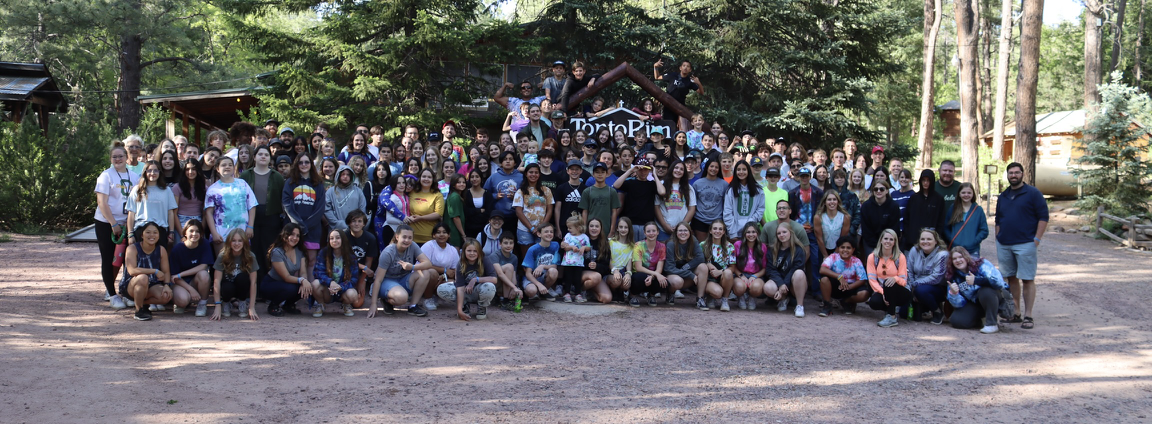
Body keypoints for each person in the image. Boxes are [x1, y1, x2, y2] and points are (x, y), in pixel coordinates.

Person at [996, 162, 1048, 330]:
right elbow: (998, 219)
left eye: (1017, 172)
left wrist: (1037, 239)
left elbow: (1043, 216)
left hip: (1026, 243)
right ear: (1007, 175)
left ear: (1022, 174)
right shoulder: (1003, 196)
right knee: (1011, 278)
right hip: (1005, 244)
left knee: (1027, 279)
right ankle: (1016, 312)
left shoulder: (1033, 193)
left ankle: (1028, 315)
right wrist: (998, 237)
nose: (1014, 175)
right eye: (1011, 173)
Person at [367, 225, 434, 317]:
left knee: (425, 273)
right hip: (386, 281)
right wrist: (373, 304)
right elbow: (378, 280)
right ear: (397, 237)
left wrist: (412, 267)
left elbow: (428, 263)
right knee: (402, 298)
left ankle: (413, 306)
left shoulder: (413, 246)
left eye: (410, 238)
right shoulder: (388, 252)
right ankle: (386, 300)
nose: (407, 240)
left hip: (403, 279)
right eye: (404, 237)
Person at [239, 146, 285, 272]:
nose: (263, 157)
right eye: (260, 154)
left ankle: (267, 278)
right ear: (254, 157)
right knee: (252, 249)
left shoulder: (277, 176)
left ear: (270, 158)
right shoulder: (245, 175)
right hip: (251, 217)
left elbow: (282, 199)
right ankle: (253, 279)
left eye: (266, 154)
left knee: (268, 249)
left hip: (271, 218)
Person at [946, 246, 1009, 333]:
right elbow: (959, 305)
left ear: (966, 257)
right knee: (957, 321)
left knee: (985, 291)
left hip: (995, 297)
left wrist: (977, 280)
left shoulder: (981, 264)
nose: (958, 260)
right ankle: (981, 319)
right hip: (975, 302)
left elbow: (999, 283)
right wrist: (954, 293)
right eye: (954, 259)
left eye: (961, 257)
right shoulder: (953, 276)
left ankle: (991, 324)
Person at [282, 154, 327, 275]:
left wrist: (306, 226)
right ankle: (295, 286)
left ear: (311, 164)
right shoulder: (290, 182)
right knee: (294, 261)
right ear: (296, 165)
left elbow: (320, 208)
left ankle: (309, 287)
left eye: (307, 162)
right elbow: (287, 205)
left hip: (312, 229)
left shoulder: (318, 184)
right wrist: (299, 225)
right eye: (300, 162)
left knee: (311, 260)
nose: (304, 165)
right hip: (293, 228)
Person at [120, 222, 173, 321]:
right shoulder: (132, 248)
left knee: (166, 296)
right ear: (142, 235)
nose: (152, 235)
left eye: (155, 232)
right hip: (131, 284)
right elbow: (132, 271)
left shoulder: (161, 250)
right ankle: (139, 310)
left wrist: (166, 285)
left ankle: (142, 303)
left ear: (159, 235)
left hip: (152, 284)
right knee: (143, 278)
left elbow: (166, 271)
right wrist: (154, 271)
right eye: (148, 232)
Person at [204, 157, 257, 254]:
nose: (227, 167)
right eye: (223, 165)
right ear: (217, 169)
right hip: (221, 233)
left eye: (230, 165)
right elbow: (208, 213)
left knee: (243, 261)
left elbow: (252, 205)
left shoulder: (243, 184)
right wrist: (214, 233)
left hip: (243, 231)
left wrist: (250, 226)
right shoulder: (213, 189)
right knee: (223, 261)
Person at [436, 238, 498, 321]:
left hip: (479, 290)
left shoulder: (484, 260)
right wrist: (459, 310)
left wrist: (475, 279)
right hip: (465, 291)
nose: (472, 253)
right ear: (464, 251)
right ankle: (464, 306)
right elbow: (460, 288)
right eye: (469, 251)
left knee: (489, 286)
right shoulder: (461, 264)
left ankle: (482, 306)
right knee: (442, 288)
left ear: (479, 252)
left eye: (475, 251)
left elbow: (494, 279)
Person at [125, 160, 178, 251]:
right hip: (141, 229)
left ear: (160, 172)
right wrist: (130, 234)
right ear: (145, 172)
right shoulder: (137, 190)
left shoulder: (167, 190)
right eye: (149, 170)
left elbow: (170, 213)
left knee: (159, 257)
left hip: (160, 230)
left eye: (156, 170)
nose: (152, 173)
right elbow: (131, 213)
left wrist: (171, 232)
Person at [259, 223, 310, 317]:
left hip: (287, 284)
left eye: (298, 235)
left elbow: (303, 272)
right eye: (292, 234)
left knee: (307, 287)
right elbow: (286, 277)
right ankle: (273, 305)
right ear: (285, 235)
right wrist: (302, 280)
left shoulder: (300, 251)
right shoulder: (277, 252)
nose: (295, 238)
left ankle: (288, 305)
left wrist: (305, 281)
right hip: (271, 284)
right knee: (291, 288)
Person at [210, 228, 260, 321]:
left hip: (242, 287)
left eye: (240, 241)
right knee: (227, 286)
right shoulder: (223, 255)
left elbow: (253, 283)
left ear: (244, 242)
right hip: (227, 288)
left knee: (242, 278)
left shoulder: (250, 256)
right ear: (229, 242)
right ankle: (226, 302)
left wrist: (252, 307)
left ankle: (242, 302)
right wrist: (217, 306)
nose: (236, 244)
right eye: (233, 240)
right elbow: (216, 281)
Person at [168, 220, 213, 317]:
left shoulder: (204, 244)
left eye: (197, 231)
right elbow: (174, 277)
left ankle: (202, 304)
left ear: (201, 234)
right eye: (191, 231)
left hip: (194, 281)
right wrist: (190, 289)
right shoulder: (177, 249)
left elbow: (204, 266)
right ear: (185, 233)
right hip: (179, 283)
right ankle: (180, 302)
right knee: (183, 301)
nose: (194, 234)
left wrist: (181, 274)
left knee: (204, 274)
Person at [816, 236, 870, 317]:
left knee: (864, 294)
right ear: (838, 248)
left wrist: (849, 287)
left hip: (850, 287)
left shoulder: (856, 261)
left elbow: (862, 279)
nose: (845, 250)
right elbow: (822, 269)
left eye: (848, 248)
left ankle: (846, 301)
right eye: (842, 247)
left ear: (853, 249)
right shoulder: (833, 257)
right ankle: (827, 305)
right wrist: (839, 276)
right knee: (824, 279)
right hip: (835, 286)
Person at [865, 229, 908, 328]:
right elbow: (872, 280)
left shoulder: (900, 257)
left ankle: (892, 317)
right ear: (881, 240)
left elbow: (903, 281)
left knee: (889, 282)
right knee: (874, 302)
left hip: (900, 291)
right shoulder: (872, 257)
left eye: (891, 239)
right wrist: (883, 293)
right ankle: (889, 310)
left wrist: (895, 278)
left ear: (895, 242)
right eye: (886, 239)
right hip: (882, 290)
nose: (888, 241)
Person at [615, 158, 665, 241]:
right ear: (636, 170)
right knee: (631, 247)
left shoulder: (652, 184)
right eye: (640, 169)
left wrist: (654, 174)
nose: (643, 172)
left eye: (646, 169)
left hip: (646, 223)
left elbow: (662, 192)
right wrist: (630, 171)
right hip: (631, 223)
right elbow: (616, 185)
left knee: (643, 248)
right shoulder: (630, 183)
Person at [766, 223, 809, 317]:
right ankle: (783, 299)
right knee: (768, 288)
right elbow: (771, 269)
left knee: (799, 273)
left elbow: (796, 268)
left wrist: (784, 284)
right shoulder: (772, 249)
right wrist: (781, 284)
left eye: (784, 232)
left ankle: (800, 305)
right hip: (779, 281)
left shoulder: (799, 249)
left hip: (794, 282)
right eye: (779, 233)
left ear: (791, 233)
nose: (781, 235)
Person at [907, 229, 950, 324]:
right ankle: (925, 307)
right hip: (916, 286)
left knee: (921, 291)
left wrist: (915, 284)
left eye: (929, 239)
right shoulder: (914, 250)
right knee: (904, 313)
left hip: (937, 288)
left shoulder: (942, 255)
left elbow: (936, 278)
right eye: (922, 239)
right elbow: (909, 270)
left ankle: (937, 311)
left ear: (936, 241)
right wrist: (911, 287)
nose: (925, 241)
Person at [901, 169, 947, 252]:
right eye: (923, 180)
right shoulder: (914, 198)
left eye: (928, 180)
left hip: (932, 242)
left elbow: (941, 221)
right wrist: (908, 236)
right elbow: (907, 219)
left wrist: (937, 237)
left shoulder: (938, 199)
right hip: (913, 241)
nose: (926, 183)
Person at [513, 163, 555, 251]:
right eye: (531, 172)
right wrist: (531, 228)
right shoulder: (520, 191)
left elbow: (550, 210)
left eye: (536, 172)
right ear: (526, 174)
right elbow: (518, 212)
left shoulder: (547, 190)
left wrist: (541, 228)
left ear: (539, 174)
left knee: (541, 256)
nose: (533, 175)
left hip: (542, 230)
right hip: (524, 229)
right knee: (527, 256)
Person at [664, 222, 706, 307]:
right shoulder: (671, 244)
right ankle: (670, 293)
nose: (683, 233)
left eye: (685, 230)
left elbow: (700, 258)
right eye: (680, 230)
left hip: (686, 272)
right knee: (678, 281)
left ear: (690, 232)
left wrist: (686, 267)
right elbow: (669, 268)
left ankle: (700, 299)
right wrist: (690, 274)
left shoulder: (693, 240)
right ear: (676, 232)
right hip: (673, 274)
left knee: (703, 267)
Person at [420, 223, 460, 311]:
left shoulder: (452, 250)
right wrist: (444, 270)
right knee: (432, 273)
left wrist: (444, 275)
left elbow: (455, 270)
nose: (441, 235)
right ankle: (428, 298)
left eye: (444, 232)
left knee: (453, 284)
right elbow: (423, 265)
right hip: (423, 276)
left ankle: (435, 296)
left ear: (449, 235)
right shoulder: (429, 245)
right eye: (438, 232)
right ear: (434, 235)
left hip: (442, 278)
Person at [653, 58, 704, 127]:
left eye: (688, 66)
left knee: (680, 125)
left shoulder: (689, 81)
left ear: (690, 70)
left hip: (680, 107)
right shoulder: (673, 75)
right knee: (668, 123)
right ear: (680, 68)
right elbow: (657, 77)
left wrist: (699, 83)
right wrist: (655, 67)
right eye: (684, 65)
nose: (685, 67)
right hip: (668, 104)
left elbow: (701, 92)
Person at [656, 161, 697, 243]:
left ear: (684, 172)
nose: (678, 170)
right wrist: (665, 225)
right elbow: (656, 206)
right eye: (676, 168)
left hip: (682, 231)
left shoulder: (688, 188)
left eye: (681, 169)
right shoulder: (661, 185)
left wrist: (681, 226)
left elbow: (692, 209)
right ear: (671, 169)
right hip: (663, 229)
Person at [945, 182, 989, 258]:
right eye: (963, 193)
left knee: (972, 266)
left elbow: (984, 230)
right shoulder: (953, 208)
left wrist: (974, 241)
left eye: (969, 193)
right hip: (956, 250)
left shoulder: (978, 210)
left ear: (973, 194)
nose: (966, 195)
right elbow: (945, 227)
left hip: (972, 250)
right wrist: (952, 238)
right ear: (959, 194)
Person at [630, 222, 669, 307]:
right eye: (648, 231)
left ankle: (651, 295)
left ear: (658, 232)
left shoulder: (662, 246)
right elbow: (638, 267)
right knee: (640, 278)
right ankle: (632, 295)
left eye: (653, 231)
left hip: (653, 274)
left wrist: (653, 276)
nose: (651, 233)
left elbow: (659, 268)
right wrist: (655, 274)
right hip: (639, 274)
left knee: (663, 281)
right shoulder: (638, 245)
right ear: (644, 233)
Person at [730, 222, 767, 310]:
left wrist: (754, 276)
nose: (751, 235)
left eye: (753, 232)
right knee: (739, 287)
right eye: (748, 232)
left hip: (756, 275)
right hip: (740, 274)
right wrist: (741, 276)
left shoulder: (762, 247)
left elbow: (764, 268)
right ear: (744, 234)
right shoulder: (737, 245)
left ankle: (752, 297)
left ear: (757, 233)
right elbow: (732, 265)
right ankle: (741, 297)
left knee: (756, 288)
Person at [723, 160, 764, 240]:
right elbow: (727, 212)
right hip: (734, 233)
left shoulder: (758, 190)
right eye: (738, 170)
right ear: (735, 172)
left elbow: (760, 209)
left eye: (744, 169)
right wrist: (733, 233)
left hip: (751, 232)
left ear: (748, 171)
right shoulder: (731, 190)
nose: (741, 172)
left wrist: (750, 225)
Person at [485, 152, 524, 233]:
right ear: (501, 163)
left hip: (516, 216)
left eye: (510, 159)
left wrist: (516, 198)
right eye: (505, 159)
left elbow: (527, 196)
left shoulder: (522, 177)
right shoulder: (493, 177)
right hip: (498, 217)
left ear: (515, 163)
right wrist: (495, 196)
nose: (508, 161)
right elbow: (485, 194)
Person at [345, 210, 377, 309]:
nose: (356, 224)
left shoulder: (370, 238)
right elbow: (343, 260)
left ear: (364, 224)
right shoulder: (343, 236)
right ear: (349, 223)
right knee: (347, 297)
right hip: (346, 271)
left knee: (357, 303)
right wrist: (363, 267)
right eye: (353, 221)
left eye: (359, 221)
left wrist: (362, 281)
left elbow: (369, 261)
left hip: (361, 273)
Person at [558, 214, 593, 303]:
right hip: (568, 262)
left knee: (577, 278)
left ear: (578, 228)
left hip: (579, 262)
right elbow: (564, 247)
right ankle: (567, 293)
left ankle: (578, 294)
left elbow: (588, 247)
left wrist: (583, 248)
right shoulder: (568, 236)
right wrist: (571, 247)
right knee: (568, 278)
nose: (568, 229)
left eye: (570, 228)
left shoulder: (584, 237)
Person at [859, 180, 900, 254]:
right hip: (870, 243)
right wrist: (875, 244)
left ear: (887, 191)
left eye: (882, 189)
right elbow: (865, 228)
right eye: (876, 189)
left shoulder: (894, 206)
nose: (878, 191)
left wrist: (886, 241)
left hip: (888, 242)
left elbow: (894, 227)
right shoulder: (866, 206)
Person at [691, 159, 727, 242]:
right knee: (702, 246)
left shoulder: (724, 184)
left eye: (716, 167)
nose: (714, 169)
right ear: (707, 167)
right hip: (700, 220)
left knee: (716, 246)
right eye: (711, 166)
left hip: (717, 220)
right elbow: (693, 203)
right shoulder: (697, 183)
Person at [521, 223, 560, 300]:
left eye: (551, 232)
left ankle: (544, 291)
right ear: (539, 234)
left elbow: (555, 266)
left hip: (545, 276)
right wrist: (539, 284)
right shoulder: (532, 249)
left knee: (554, 271)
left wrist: (542, 266)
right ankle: (533, 290)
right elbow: (528, 273)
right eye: (546, 231)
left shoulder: (555, 245)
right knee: (531, 291)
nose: (549, 234)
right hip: (532, 277)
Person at [407, 168, 445, 244]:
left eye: (429, 177)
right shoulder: (412, 192)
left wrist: (421, 218)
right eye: (424, 176)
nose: (426, 179)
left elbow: (438, 214)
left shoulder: (438, 195)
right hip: (411, 237)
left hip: (429, 238)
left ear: (433, 180)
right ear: (420, 178)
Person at [813, 190, 850, 260]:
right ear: (824, 202)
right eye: (829, 199)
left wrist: (834, 255)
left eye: (834, 199)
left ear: (838, 202)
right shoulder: (818, 217)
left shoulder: (845, 217)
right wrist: (825, 256)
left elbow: (843, 238)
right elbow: (819, 238)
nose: (832, 202)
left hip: (839, 251)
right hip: (823, 250)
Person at [554, 159, 587, 237]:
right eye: (572, 169)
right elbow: (557, 209)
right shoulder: (561, 188)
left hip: (579, 225)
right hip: (564, 225)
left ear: (581, 171)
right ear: (567, 171)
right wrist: (558, 228)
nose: (574, 171)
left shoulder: (585, 189)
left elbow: (585, 210)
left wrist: (584, 227)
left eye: (577, 169)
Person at [608, 218, 636, 303]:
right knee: (617, 280)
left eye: (626, 227)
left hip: (623, 271)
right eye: (621, 227)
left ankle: (621, 291)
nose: (623, 229)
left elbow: (629, 262)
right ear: (617, 228)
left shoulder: (632, 246)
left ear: (629, 229)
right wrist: (615, 271)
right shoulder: (611, 242)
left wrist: (628, 273)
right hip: (611, 271)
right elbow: (609, 259)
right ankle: (613, 290)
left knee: (626, 283)